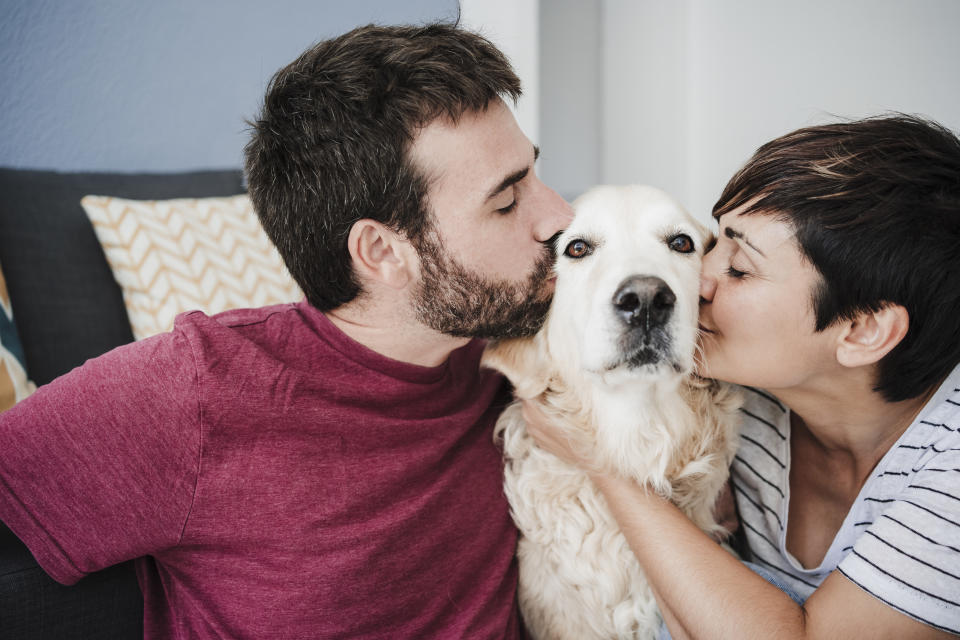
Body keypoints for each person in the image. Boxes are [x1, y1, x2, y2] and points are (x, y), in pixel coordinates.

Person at [0, 23, 572, 638]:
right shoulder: (194, 393)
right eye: (507, 202)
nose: (561, 215)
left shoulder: (519, 343)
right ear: (381, 251)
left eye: (533, 175)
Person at [526, 115, 960, 638]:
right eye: (712, 243)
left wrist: (603, 467)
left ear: (861, 330)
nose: (693, 281)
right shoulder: (737, 402)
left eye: (739, 268)